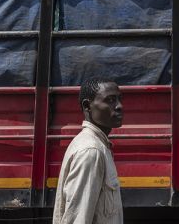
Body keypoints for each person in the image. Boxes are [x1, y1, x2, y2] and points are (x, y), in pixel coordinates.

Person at [53, 77, 125, 224]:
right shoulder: (91, 151)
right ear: (87, 106)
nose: (119, 106)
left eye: (119, 99)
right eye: (110, 100)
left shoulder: (98, 146)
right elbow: (78, 219)